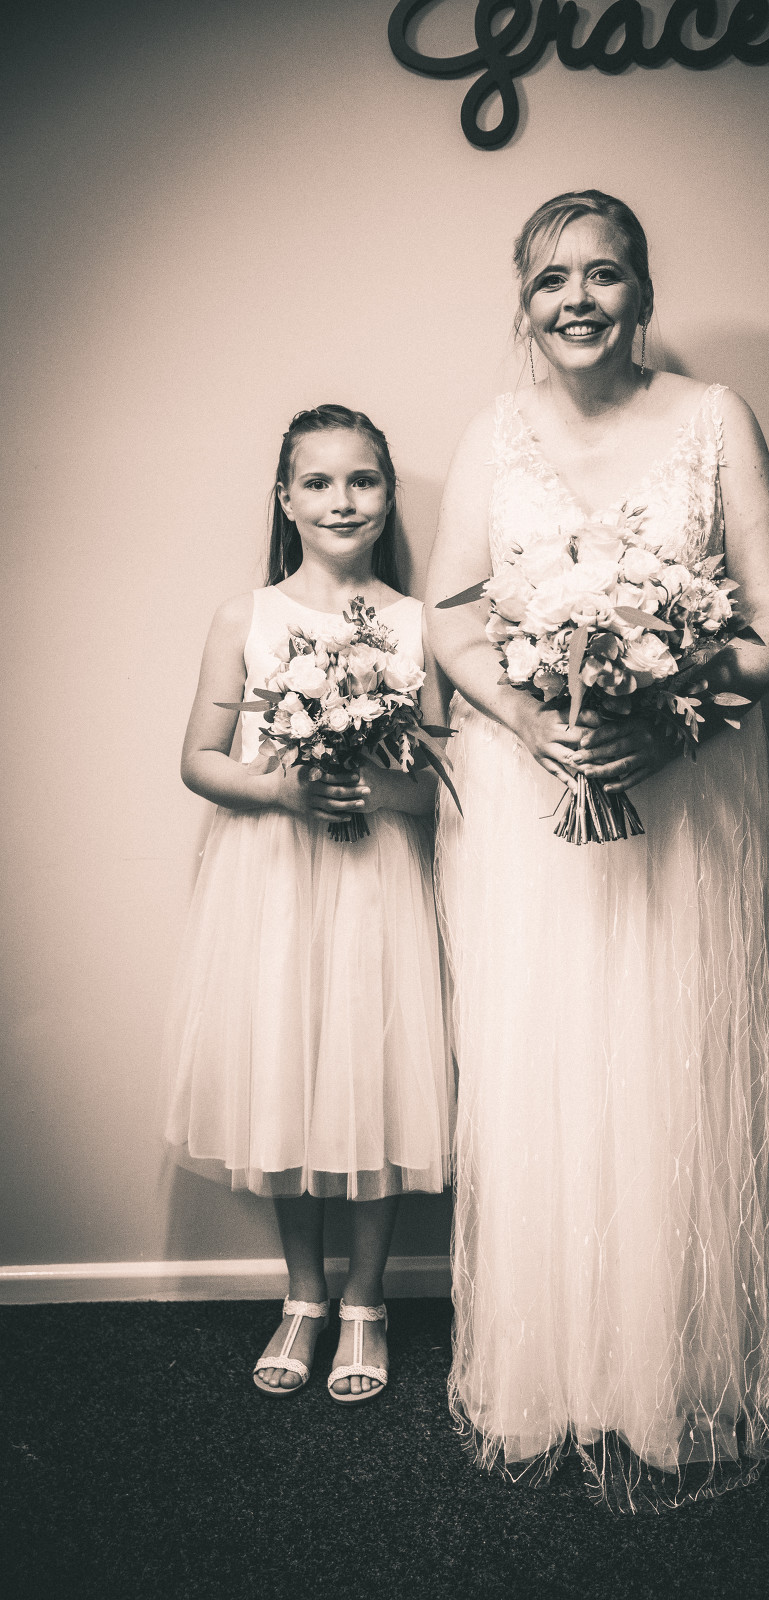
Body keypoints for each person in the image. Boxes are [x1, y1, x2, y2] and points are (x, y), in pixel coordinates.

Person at [428, 192, 769, 1507]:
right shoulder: (492, 434)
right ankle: (566, 1364)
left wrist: (668, 727)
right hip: (534, 802)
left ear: (642, 293)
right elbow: (449, 618)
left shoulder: (713, 419)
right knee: (551, 1063)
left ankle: (688, 1361)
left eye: (605, 273)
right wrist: (537, 723)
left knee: (670, 1055)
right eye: (552, 278)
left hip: (690, 794)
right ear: (523, 302)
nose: (578, 298)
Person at [164, 404, 452, 1403]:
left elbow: (443, 786)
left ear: (387, 495)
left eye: (362, 480)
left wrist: (377, 784)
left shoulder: (418, 625)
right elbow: (199, 759)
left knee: (374, 1076)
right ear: (285, 499)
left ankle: (366, 1301)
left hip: (377, 885)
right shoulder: (243, 618)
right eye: (318, 482)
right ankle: (303, 1295)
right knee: (284, 1069)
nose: (341, 500)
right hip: (275, 882)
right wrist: (284, 789)